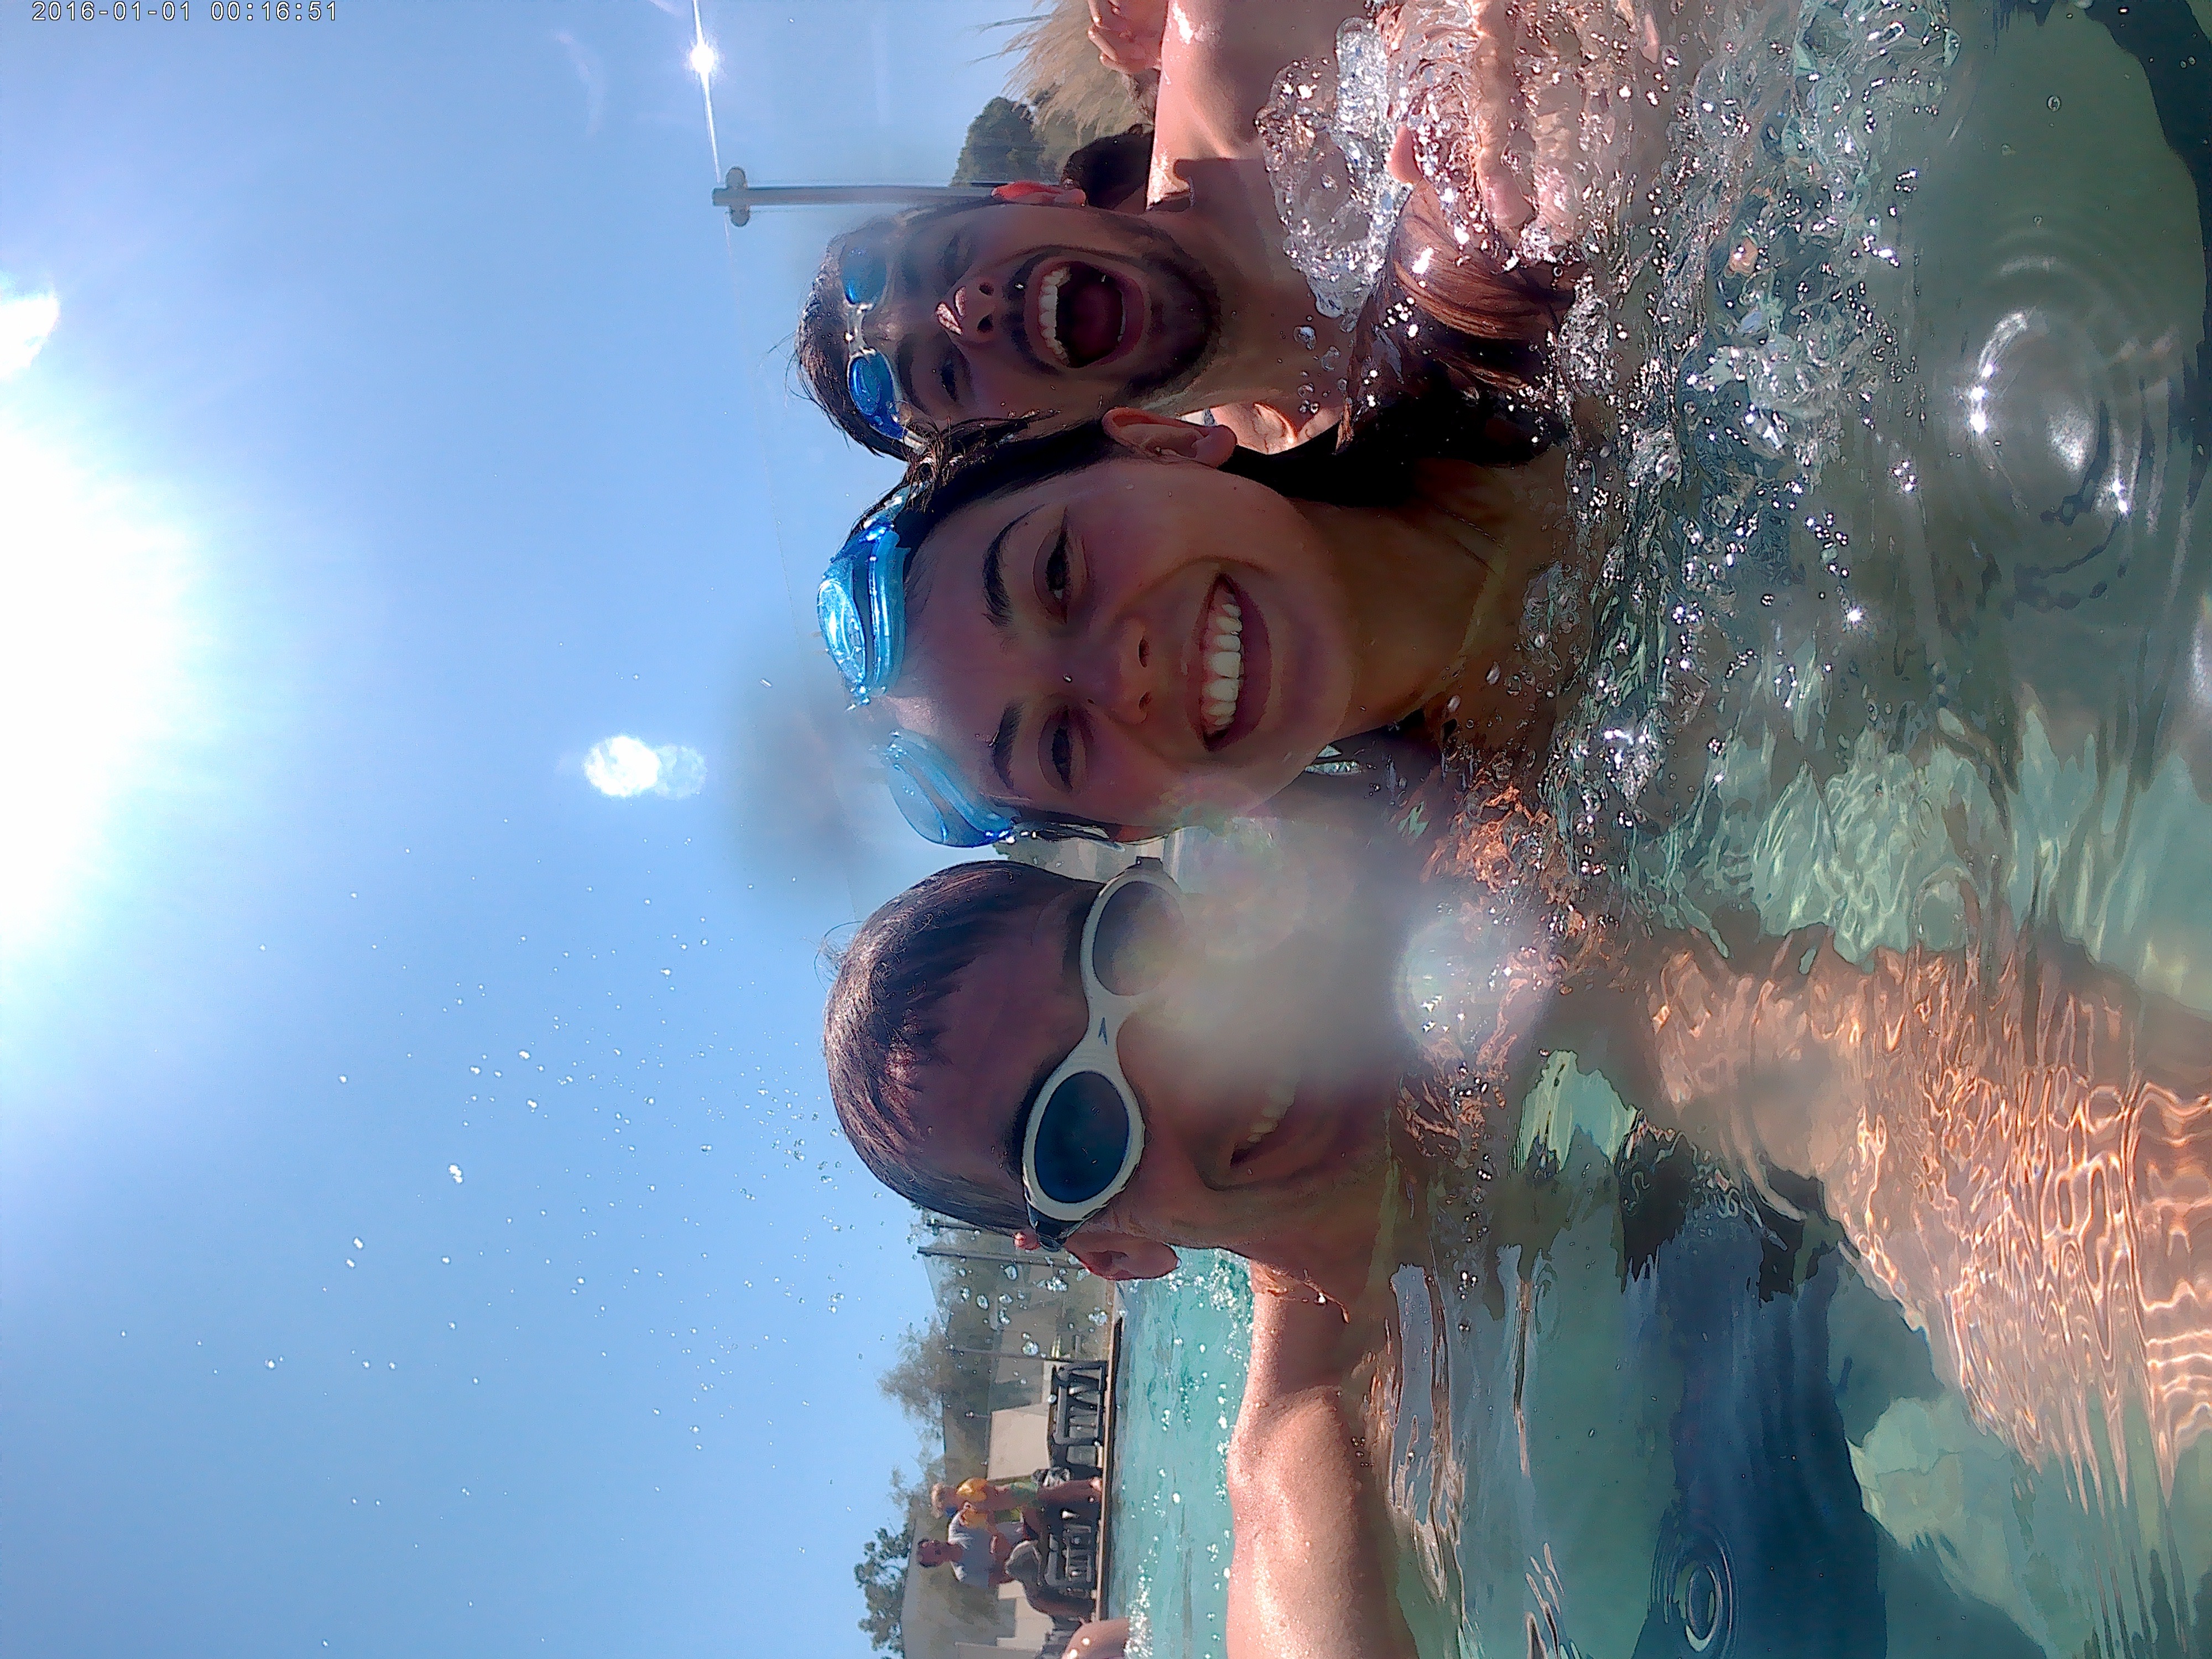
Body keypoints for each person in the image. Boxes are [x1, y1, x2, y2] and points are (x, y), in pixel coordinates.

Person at [817, 396, 1575, 846]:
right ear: (1147, 829)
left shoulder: (1494, 315)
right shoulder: (1532, 875)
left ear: (1164, 442)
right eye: (1059, 746)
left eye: (1056, 573)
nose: (1122, 675)